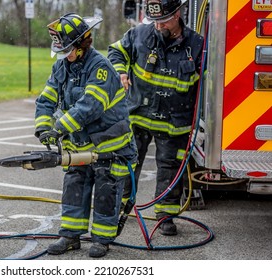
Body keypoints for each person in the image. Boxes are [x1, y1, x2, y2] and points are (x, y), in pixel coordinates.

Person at [35, 13, 137, 258]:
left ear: (82, 44)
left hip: (109, 147)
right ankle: (70, 236)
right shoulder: (61, 66)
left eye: (68, 50)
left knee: (106, 191)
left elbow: (90, 106)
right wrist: (42, 127)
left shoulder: (100, 68)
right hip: (79, 147)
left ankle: (102, 240)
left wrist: (58, 128)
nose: (65, 55)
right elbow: (46, 98)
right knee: (74, 187)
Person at [108, 0, 204, 236]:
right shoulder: (140, 34)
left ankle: (165, 215)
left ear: (178, 14)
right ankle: (121, 207)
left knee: (169, 168)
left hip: (175, 123)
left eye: (164, 20)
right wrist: (120, 71)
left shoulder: (197, 44)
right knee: (127, 164)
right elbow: (116, 51)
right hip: (138, 116)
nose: (159, 26)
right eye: (156, 21)